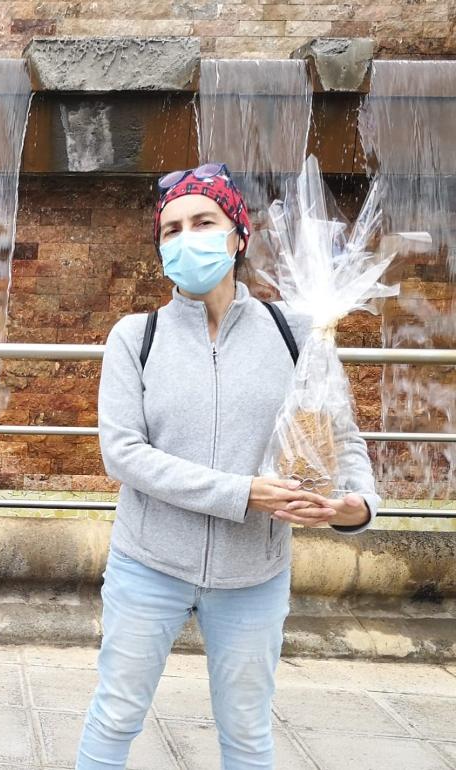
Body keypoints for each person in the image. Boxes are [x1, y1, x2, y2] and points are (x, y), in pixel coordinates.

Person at [76, 163, 380, 770]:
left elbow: (340, 439)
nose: (187, 238)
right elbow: (125, 454)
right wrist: (243, 493)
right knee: (115, 715)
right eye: (172, 229)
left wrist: (357, 506)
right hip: (149, 565)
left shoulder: (296, 332)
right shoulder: (135, 337)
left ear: (237, 234)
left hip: (253, 577)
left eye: (203, 222)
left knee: (246, 734)